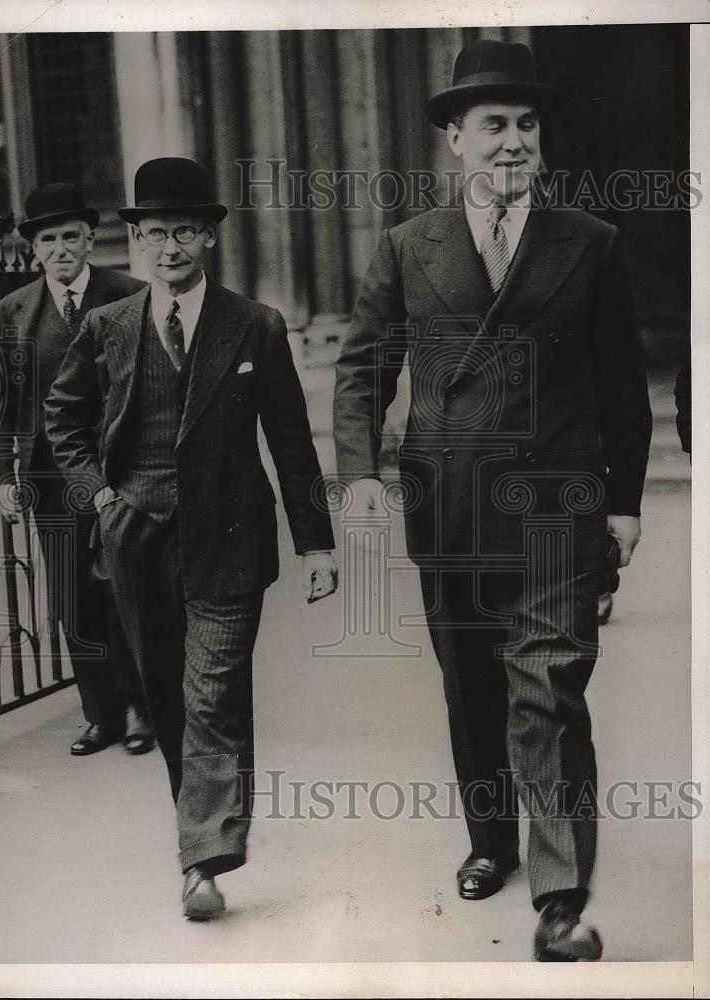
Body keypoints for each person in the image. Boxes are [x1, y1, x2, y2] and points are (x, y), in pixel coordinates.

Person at [333, 40, 652, 961]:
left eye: (526, 124)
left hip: (558, 509)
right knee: (472, 692)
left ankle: (559, 898)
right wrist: (360, 474)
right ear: (453, 141)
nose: (513, 142)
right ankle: (488, 843)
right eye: (493, 125)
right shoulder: (406, 246)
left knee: (547, 691)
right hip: (452, 505)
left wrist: (621, 502)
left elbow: (621, 384)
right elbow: (363, 367)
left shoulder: (589, 242)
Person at [45, 157, 338, 919]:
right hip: (134, 538)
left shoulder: (256, 325)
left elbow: (290, 441)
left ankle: (203, 861)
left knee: (211, 691)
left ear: (208, 237)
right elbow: (63, 420)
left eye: (183, 231)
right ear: (136, 241)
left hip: (230, 541)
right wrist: (101, 498)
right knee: (170, 700)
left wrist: (317, 544)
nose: (168, 247)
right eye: (153, 233)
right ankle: (198, 833)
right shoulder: (109, 328)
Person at [0, 182, 154, 756]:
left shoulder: (129, 293)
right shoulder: (14, 309)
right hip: (48, 474)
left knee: (121, 585)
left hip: (118, 468)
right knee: (70, 593)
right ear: (32, 248)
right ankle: (100, 712)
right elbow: (7, 397)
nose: (59, 249)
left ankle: (141, 708)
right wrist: (3, 477)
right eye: (46, 240)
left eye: (69, 236)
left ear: (89, 239)